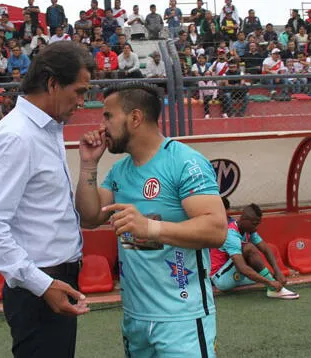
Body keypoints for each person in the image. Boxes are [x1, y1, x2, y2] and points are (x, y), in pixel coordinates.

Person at [75, 81, 227, 356]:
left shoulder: (184, 162)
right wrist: (88, 164)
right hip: (135, 317)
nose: (101, 125)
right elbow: (90, 217)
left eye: (108, 116)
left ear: (135, 118)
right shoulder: (120, 171)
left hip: (182, 318)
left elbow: (216, 229)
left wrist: (150, 227)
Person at [0, 41, 95, 358]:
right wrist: (42, 285)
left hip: (53, 279)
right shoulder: (17, 136)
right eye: (79, 91)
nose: (82, 102)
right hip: (39, 284)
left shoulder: (45, 129)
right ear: (52, 83)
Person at [209, 202, 299, 299]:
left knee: (270, 275)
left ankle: (273, 285)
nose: (256, 228)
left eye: (258, 224)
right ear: (244, 219)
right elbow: (242, 267)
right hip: (221, 279)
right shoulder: (231, 234)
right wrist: (269, 282)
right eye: (254, 224)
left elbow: (266, 249)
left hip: (235, 274)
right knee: (249, 248)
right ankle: (274, 290)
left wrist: (277, 271)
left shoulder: (249, 230)